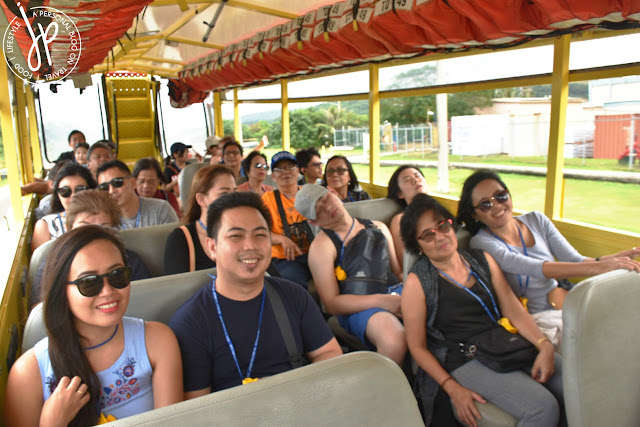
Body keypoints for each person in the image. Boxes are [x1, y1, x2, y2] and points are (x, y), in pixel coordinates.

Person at [400, 194, 564, 427]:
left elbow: (514, 311)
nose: (439, 237)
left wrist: (543, 345)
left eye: (442, 226)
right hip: (464, 358)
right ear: (418, 246)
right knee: (543, 407)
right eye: (427, 235)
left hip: (503, 341)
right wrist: (452, 387)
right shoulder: (418, 283)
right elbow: (417, 347)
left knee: (575, 383)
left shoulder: (482, 260)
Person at [169, 192, 342, 397]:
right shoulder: (190, 322)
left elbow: (330, 353)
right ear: (212, 247)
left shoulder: (294, 295)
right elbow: (196, 407)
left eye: (260, 235)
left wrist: (286, 388)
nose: (250, 246)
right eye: (235, 236)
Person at [5, 226, 182, 425]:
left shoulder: (158, 341)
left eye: (117, 275)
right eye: (89, 282)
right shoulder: (28, 374)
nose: (107, 291)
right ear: (62, 290)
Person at [457, 169, 640, 349]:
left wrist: (608, 260)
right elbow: (532, 267)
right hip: (535, 320)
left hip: (563, 303)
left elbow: (575, 259)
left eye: (501, 196)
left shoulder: (537, 220)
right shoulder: (481, 242)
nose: (496, 205)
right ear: (475, 215)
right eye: (485, 204)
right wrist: (600, 268)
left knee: (621, 327)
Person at [298, 184, 406, 364]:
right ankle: (382, 391)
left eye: (325, 198)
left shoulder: (379, 228)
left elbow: (398, 273)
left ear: (333, 193)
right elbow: (331, 304)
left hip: (395, 292)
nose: (327, 207)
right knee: (395, 340)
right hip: (359, 307)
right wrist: (383, 301)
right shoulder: (322, 247)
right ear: (313, 222)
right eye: (317, 209)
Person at [30, 190, 152, 308]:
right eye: (84, 228)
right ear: (69, 229)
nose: (92, 235)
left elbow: (146, 301)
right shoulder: (52, 264)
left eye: (103, 228)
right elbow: (40, 310)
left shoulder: (131, 261)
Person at [164, 165, 236, 275]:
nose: (233, 200)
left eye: (234, 193)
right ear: (201, 199)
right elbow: (176, 288)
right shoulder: (181, 239)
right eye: (224, 194)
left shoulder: (244, 233)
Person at [261, 151, 314, 288]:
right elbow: (259, 234)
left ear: (298, 172)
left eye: (291, 167)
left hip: (316, 253)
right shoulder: (267, 200)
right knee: (295, 286)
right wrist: (283, 239)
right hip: (284, 259)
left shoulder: (311, 194)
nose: (286, 172)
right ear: (273, 176)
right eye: (279, 169)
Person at [31, 163, 97, 252]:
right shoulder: (46, 226)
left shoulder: (103, 219)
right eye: (65, 191)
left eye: (80, 190)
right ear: (57, 194)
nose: (73, 196)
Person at [97, 160, 179, 229]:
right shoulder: (103, 221)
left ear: (133, 183)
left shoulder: (161, 209)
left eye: (117, 183)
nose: (111, 191)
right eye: (104, 187)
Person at [387, 165, 429, 267]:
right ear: (400, 193)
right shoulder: (400, 220)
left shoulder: (441, 212)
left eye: (417, 176)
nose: (415, 180)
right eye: (407, 180)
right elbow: (406, 263)